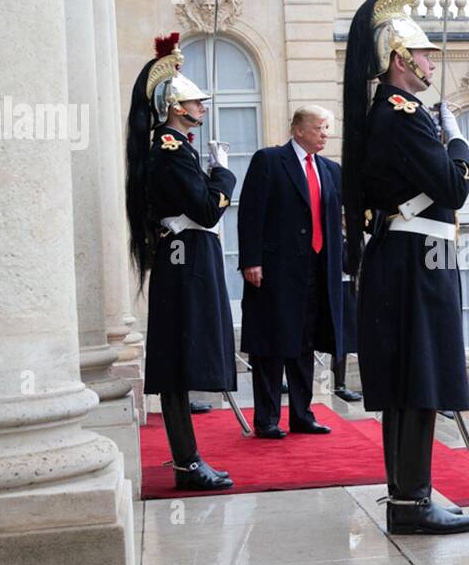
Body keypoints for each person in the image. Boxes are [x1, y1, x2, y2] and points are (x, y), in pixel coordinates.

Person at [341, 0, 469, 535]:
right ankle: (413, 501)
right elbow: (455, 186)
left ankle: (407, 498)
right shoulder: (401, 117)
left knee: (409, 385)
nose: (431, 63)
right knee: (418, 383)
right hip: (418, 261)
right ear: (400, 58)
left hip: (411, 258)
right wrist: (458, 141)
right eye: (424, 54)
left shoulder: (396, 116)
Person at [124, 32, 235, 490]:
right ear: (176, 108)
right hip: (185, 256)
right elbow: (208, 209)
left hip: (188, 254)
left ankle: (190, 460)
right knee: (178, 364)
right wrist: (223, 174)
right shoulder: (170, 151)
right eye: (195, 103)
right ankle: (187, 464)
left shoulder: (177, 148)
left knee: (183, 362)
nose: (202, 109)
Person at [237, 106, 344, 438]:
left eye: (327, 128)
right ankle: (267, 419)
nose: (325, 134)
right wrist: (250, 261)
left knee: (305, 343)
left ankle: (302, 414)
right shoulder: (269, 161)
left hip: (316, 269)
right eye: (319, 128)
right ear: (298, 130)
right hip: (274, 271)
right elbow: (250, 214)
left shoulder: (330, 170)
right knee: (271, 344)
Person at [332, 231, 363, 403]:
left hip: (351, 286)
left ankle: (341, 383)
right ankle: (339, 384)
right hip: (342, 287)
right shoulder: (341, 236)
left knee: (347, 339)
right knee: (341, 339)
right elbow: (346, 264)